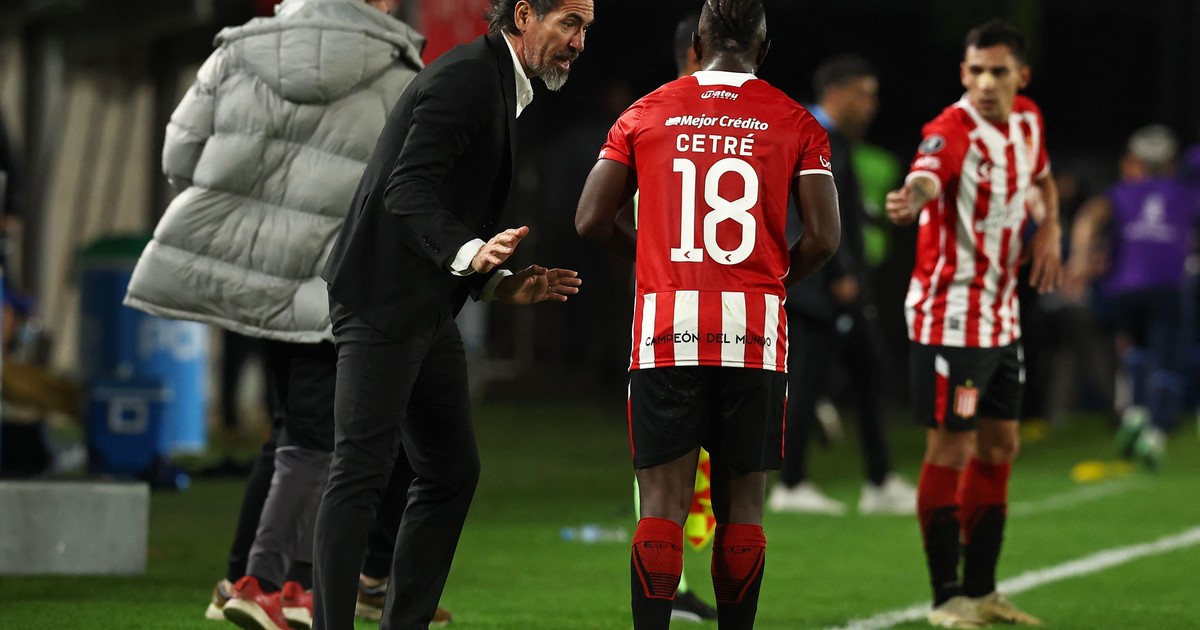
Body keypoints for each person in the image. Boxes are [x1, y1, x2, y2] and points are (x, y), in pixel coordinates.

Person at [122, 1, 434, 628]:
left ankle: (266, 582)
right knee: (321, 440)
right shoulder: (398, 70)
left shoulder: (238, 50)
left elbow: (179, 157)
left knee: (294, 429)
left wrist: (252, 207)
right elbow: (408, 189)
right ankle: (263, 582)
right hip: (332, 279)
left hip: (254, 271)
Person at [313, 0, 591, 627]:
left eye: (585, 28)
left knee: (450, 469)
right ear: (525, 14)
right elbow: (406, 188)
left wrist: (498, 285)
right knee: (359, 473)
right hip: (382, 299)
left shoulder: (496, 80)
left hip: (425, 304)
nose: (579, 43)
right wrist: (471, 253)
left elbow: (443, 198)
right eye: (570, 24)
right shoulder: (468, 77)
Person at [576, 1, 840, 627]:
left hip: (668, 328)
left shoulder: (645, 112)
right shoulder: (796, 120)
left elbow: (589, 220)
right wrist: (772, 280)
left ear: (696, 44)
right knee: (742, 508)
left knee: (662, 504)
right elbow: (825, 238)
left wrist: (652, 259)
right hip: (754, 332)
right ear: (763, 49)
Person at [884, 18, 1061, 628]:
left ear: (1021, 76)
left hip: (1001, 316)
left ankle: (983, 591)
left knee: (1002, 444)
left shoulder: (1028, 120)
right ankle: (945, 597)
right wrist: (912, 197)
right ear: (963, 73)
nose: (985, 83)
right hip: (951, 320)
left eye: (998, 72)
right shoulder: (951, 130)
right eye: (976, 71)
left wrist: (1052, 228)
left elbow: (1042, 181)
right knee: (952, 447)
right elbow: (926, 175)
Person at [767, 54, 918, 516]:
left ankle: (877, 479)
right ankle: (793, 483)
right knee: (809, 382)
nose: (872, 104)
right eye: (864, 94)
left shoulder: (825, 136)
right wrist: (839, 275)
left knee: (866, 374)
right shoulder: (813, 135)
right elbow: (807, 213)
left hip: (826, 282)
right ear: (837, 92)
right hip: (820, 288)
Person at [1066, 124, 1200, 470]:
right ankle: (1154, 434)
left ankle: (1135, 412)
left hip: (1124, 289)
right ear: (1171, 162)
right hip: (1167, 286)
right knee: (1168, 361)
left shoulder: (1122, 192)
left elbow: (1089, 217)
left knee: (1136, 350)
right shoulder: (1187, 193)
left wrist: (1079, 260)